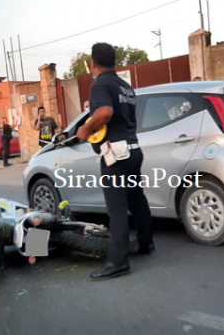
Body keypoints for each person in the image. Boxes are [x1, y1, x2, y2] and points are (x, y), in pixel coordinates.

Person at [77, 42, 154, 281]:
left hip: (116, 155)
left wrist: (85, 128)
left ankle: (118, 262)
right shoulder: (125, 86)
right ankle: (145, 243)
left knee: (117, 208)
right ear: (114, 61)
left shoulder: (100, 84)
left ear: (93, 63)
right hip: (133, 150)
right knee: (136, 198)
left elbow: (106, 113)